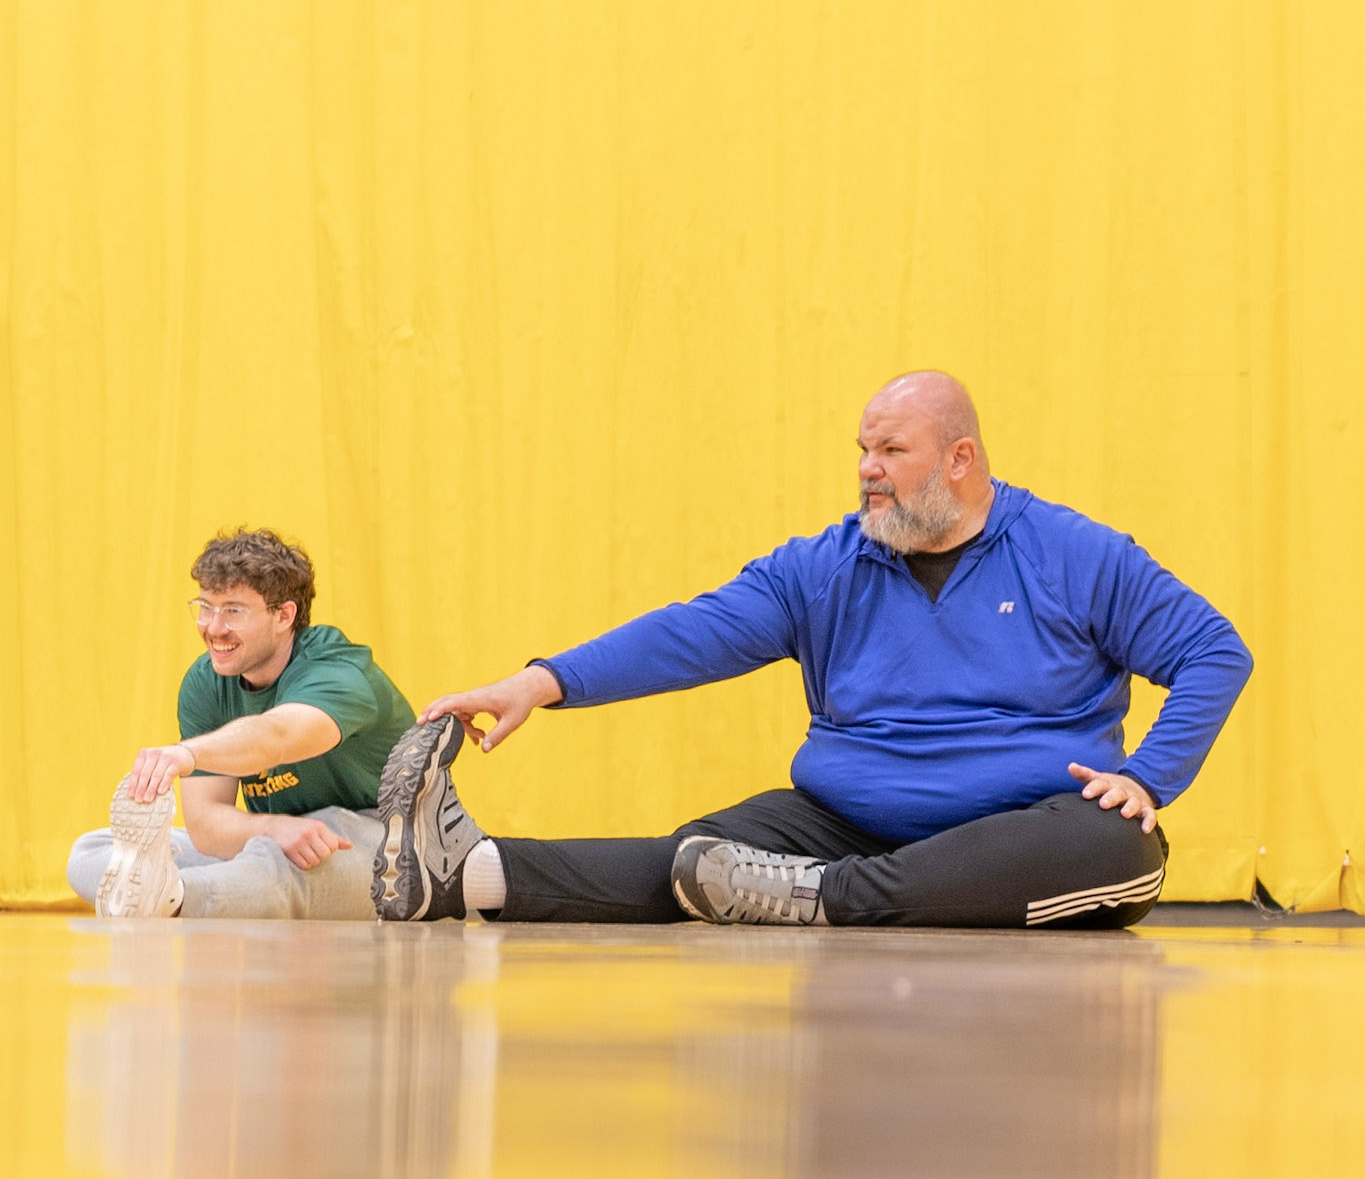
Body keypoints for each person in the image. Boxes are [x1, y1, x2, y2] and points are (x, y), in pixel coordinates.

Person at [371, 371, 1253, 930]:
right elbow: (693, 631)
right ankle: (466, 875)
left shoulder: (1073, 552)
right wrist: (542, 681)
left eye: (891, 450)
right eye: (863, 450)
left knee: (1114, 847)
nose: (868, 468)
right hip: (845, 819)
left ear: (959, 459)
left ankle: (822, 897)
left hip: (1022, 829)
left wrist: (1148, 777)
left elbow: (1213, 651)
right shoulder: (826, 565)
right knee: (697, 856)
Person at [69, 529, 414, 919]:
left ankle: (176, 898)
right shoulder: (206, 682)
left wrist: (188, 754)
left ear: (284, 615)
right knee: (91, 851)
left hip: (385, 843)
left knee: (279, 858)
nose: (214, 628)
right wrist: (271, 828)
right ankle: (173, 888)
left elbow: (278, 736)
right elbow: (205, 824)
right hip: (283, 838)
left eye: (234, 611)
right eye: (206, 607)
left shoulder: (337, 670)